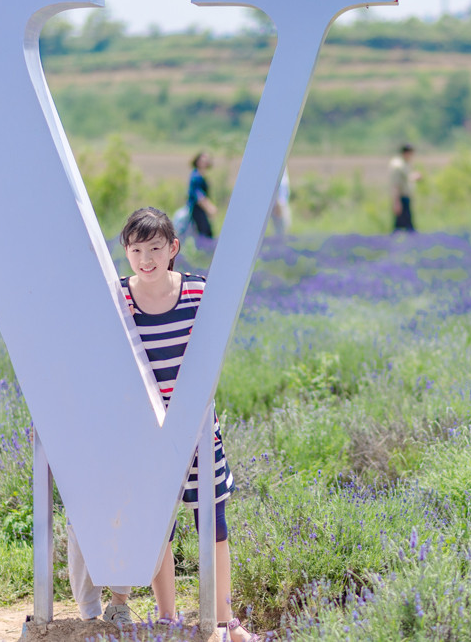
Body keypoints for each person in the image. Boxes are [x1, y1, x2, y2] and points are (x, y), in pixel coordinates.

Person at [118, 207, 255, 642]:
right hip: (146, 433)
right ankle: (168, 619)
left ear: (172, 248)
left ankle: (223, 620)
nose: (146, 259)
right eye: (136, 250)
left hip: (198, 429)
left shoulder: (198, 292)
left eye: (155, 248)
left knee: (212, 521)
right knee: (159, 525)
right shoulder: (119, 297)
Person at [389, 143, 421, 232]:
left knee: (402, 226)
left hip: (405, 198)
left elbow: (408, 177)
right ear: (406, 153)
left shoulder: (404, 164)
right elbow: (396, 185)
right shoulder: (398, 166)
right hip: (401, 198)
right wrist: (396, 202)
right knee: (405, 227)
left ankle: (399, 243)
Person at [187, 152, 218, 239]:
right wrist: (210, 208)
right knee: (205, 235)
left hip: (200, 210)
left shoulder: (200, 175)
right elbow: (199, 196)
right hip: (196, 210)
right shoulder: (196, 177)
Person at [270, 169, 291, 237]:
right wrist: (277, 202)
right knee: (281, 230)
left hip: (281, 202)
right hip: (279, 203)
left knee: (283, 229)